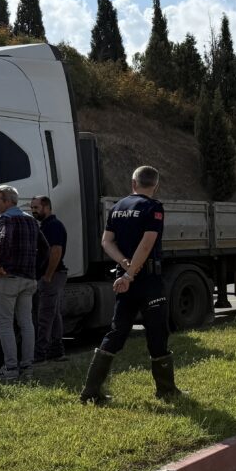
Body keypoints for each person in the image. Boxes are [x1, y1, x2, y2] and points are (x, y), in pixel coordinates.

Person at [81, 165, 180, 403]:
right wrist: (130, 273)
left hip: (125, 279)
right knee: (157, 331)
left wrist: (124, 266)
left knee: (117, 331)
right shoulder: (153, 208)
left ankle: (91, 391)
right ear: (155, 186)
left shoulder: (117, 208)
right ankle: (166, 390)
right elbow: (147, 245)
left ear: (133, 183)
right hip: (147, 280)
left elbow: (106, 242)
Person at [0, 185, 45, 380]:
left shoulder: (7, 218)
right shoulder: (31, 220)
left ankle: (11, 370)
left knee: (5, 324)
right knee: (26, 323)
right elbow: (44, 248)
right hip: (28, 279)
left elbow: (4, 240)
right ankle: (28, 369)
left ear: (8, 201)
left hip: (9, 277)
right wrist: (36, 271)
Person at [30, 195, 68, 364]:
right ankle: (57, 351)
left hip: (53, 275)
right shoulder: (46, 226)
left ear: (46, 207)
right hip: (53, 275)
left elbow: (56, 251)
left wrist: (48, 275)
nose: (33, 211)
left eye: (36, 208)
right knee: (53, 314)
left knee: (44, 315)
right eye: (32, 208)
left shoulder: (53, 226)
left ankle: (40, 355)